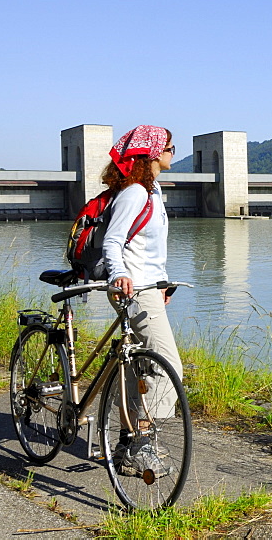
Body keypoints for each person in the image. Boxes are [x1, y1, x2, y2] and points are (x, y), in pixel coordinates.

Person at [100, 125, 181, 477]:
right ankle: (140, 444)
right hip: (132, 290)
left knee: (138, 368)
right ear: (152, 153)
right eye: (169, 147)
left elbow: (148, 249)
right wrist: (120, 275)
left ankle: (124, 441)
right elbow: (113, 242)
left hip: (148, 288)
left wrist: (161, 284)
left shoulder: (153, 189)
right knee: (168, 366)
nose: (172, 153)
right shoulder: (135, 192)